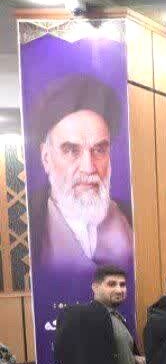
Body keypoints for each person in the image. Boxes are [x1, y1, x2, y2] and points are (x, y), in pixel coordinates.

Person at [27, 75, 133, 272]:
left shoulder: (130, 218)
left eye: (99, 150)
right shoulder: (29, 222)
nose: (88, 167)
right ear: (46, 157)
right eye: (71, 150)